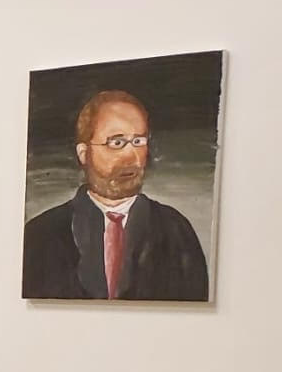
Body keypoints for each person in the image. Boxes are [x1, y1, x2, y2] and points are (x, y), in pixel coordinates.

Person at [22, 89, 209, 301]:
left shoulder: (175, 231)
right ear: (84, 154)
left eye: (138, 142)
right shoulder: (41, 235)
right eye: (116, 143)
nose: (131, 156)